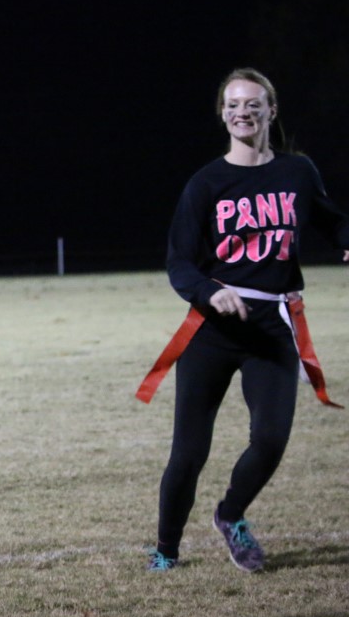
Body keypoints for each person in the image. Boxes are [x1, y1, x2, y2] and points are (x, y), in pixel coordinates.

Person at [138, 68, 349, 573]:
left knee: (271, 439)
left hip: (272, 327)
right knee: (189, 453)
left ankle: (230, 515)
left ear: (271, 111)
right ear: (222, 114)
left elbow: (331, 219)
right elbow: (179, 263)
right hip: (213, 329)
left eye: (253, 103)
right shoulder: (206, 183)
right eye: (233, 104)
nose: (243, 112)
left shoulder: (298, 172)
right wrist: (210, 291)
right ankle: (166, 550)